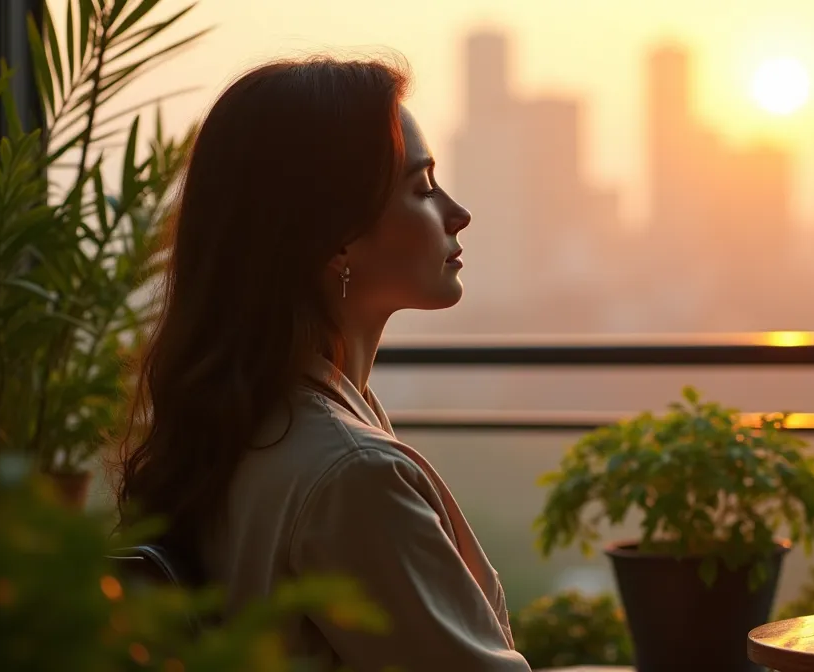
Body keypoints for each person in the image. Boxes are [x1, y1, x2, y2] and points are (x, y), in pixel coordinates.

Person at [115, 57, 532, 671]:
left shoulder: (238, 427)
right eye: (421, 188)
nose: (456, 212)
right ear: (338, 237)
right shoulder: (351, 476)